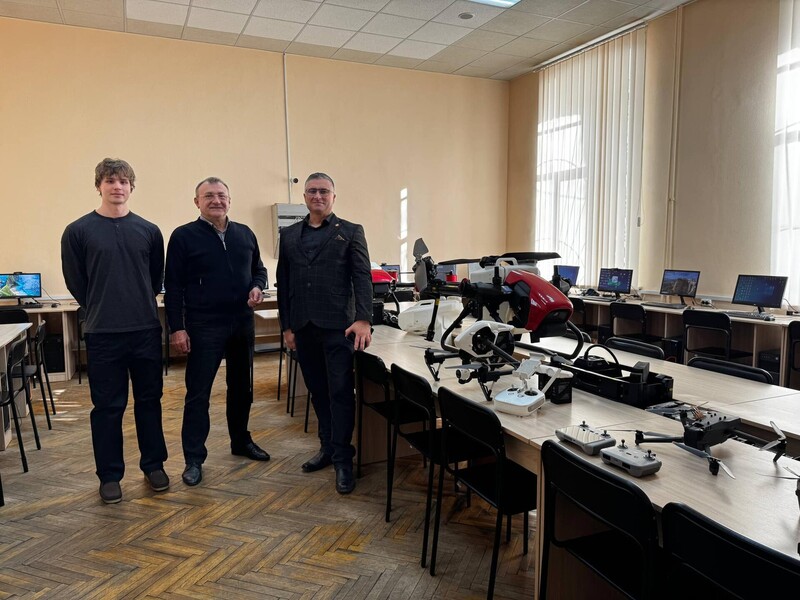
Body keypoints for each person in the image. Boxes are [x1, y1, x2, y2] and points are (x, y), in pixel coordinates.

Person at [61, 158, 169, 504]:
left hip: (145, 330)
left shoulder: (149, 231)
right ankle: (109, 475)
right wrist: (101, 306)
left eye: (123, 181)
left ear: (131, 187)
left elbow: (155, 278)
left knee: (149, 402)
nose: (117, 186)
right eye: (110, 181)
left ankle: (153, 465)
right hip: (103, 333)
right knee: (107, 407)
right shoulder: (77, 231)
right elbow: (77, 282)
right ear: (99, 186)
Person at [165, 177, 269, 487]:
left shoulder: (245, 234)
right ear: (196, 202)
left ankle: (241, 441)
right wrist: (177, 328)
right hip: (203, 325)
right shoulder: (183, 236)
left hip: (241, 322)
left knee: (242, 388)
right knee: (198, 393)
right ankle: (194, 458)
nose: (216, 200)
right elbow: (173, 287)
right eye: (208, 196)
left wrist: (257, 286)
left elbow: (259, 270)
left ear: (229, 200)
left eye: (221, 195)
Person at [276, 172, 372, 495]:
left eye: (324, 191)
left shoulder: (351, 231)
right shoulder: (289, 235)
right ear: (304, 197)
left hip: (338, 328)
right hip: (304, 328)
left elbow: (362, 277)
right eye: (312, 191)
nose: (318, 196)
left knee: (341, 393)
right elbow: (284, 283)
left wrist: (364, 319)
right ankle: (327, 447)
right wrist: (286, 326)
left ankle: (344, 459)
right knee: (317, 391)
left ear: (333, 196)